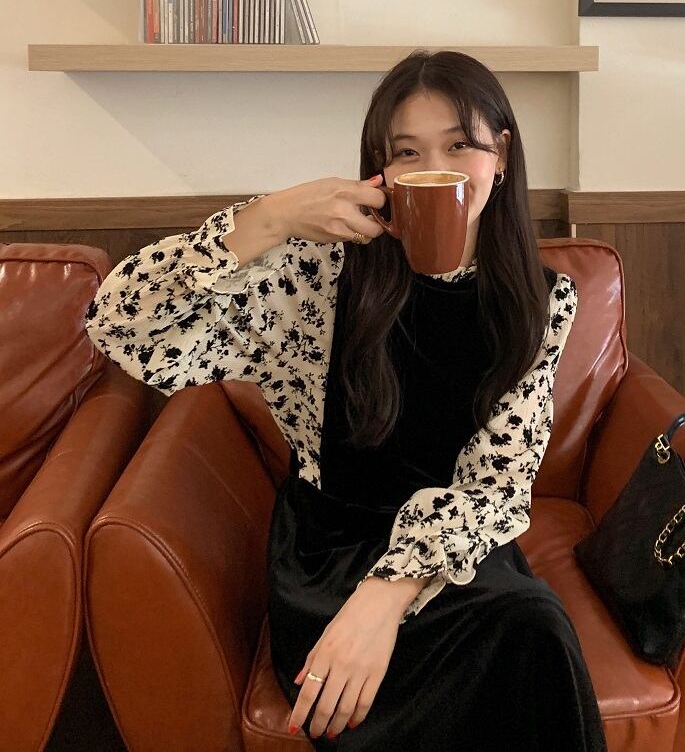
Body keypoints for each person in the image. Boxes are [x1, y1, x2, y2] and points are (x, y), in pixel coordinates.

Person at [84, 49, 608, 752]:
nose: (434, 170)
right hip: (330, 553)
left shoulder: (540, 301)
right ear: (380, 170)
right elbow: (120, 324)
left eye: (460, 145)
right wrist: (269, 217)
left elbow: (499, 485)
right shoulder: (315, 271)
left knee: (532, 627)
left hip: (449, 550)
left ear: (502, 155)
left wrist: (386, 595)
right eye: (407, 153)